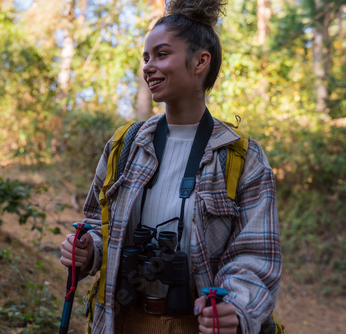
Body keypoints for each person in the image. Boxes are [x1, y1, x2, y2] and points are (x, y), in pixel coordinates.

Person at [60, 0, 282, 333]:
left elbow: (255, 255)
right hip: (122, 322)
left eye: (162, 55)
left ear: (200, 62)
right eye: (146, 58)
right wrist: (88, 248)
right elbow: (97, 222)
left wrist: (235, 305)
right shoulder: (126, 145)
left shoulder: (241, 157)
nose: (148, 67)